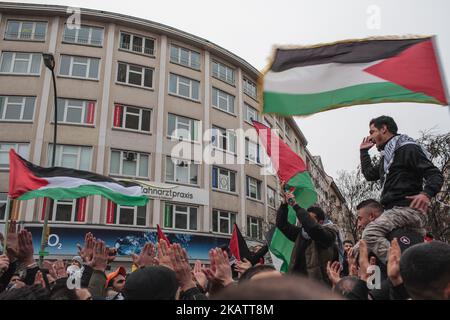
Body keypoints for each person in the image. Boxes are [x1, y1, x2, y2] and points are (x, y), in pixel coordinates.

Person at [358, 115, 444, 264]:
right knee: (357, 249)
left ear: (384, 129)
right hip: (392, 211)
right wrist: (364, 152)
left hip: (407, 210)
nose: (370, 138)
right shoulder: (388, 158)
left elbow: (435, 174)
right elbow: (370, 175)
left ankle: (401, 267)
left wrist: (426, 194)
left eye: (372, 132)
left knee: (370, 234)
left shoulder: (407, 148)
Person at [276, 182, 340, 286]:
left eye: (309, 218)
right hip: (295, 285)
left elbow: (313, 229)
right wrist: (284, 203)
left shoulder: (328, 236)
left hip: (316, 289)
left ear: (320, 222)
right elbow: (281, 224)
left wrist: (295, 205)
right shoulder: (300, 234)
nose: (303, 221)